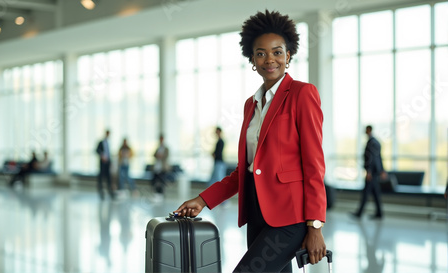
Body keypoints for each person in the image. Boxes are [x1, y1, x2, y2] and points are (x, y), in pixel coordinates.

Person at [175, 10, 327, 273]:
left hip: (289, 219)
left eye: (277, 52)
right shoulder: (251, 105)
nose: (270, 59)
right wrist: (203, 200)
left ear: (288, 56)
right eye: (261, 53)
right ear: (252, 60)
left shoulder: (302, 94)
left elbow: (314, 164)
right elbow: (245, 170)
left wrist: (315, 226)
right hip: (257, 212)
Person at [351, 125, 387, 220]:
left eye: (366, 130)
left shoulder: (371, 143)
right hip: (376, 172)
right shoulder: (376, 142)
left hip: (372, 173)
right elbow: (379, 158)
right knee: (375, 193)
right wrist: (382, 170)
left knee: (366, 193)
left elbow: (371, 159)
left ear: (369, 130)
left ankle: (359, 213)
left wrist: (369, 171)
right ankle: (379, 213)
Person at [96, 130, 115, 200]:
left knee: (108, 177)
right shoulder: (101, 142)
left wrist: (110, 162)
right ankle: (101, 191)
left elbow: (109, 153)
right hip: (103, 163)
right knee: (101, 177)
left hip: (107, 162)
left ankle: (110, 191)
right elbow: (97, 150)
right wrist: (102, 155)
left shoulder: (108, 143)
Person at [151, 134, 169, 202]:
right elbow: (154, 154)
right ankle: (156, 194)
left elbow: (166, 156)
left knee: (162, 181)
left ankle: (161, 194)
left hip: (163, 168)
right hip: (156, 167)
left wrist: (161, 156)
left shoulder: (166, 148)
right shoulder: (158, 148)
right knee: (155, 181)